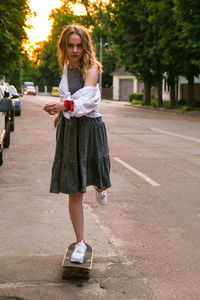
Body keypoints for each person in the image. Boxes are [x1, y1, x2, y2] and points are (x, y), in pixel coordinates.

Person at [43, 24, 111, 264]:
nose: (74, 50)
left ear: (85, 46)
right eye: (70, 45)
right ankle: (80, 243)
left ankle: (102, 188)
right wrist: (58, 114)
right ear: (64, 46)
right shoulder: (66, 67)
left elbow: (88, 102)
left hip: (90, 130)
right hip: (70, 131)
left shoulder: (91, 68)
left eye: (78, 45)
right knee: (74, 189)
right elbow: (68, 97)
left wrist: (64, 107)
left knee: (98, 178)